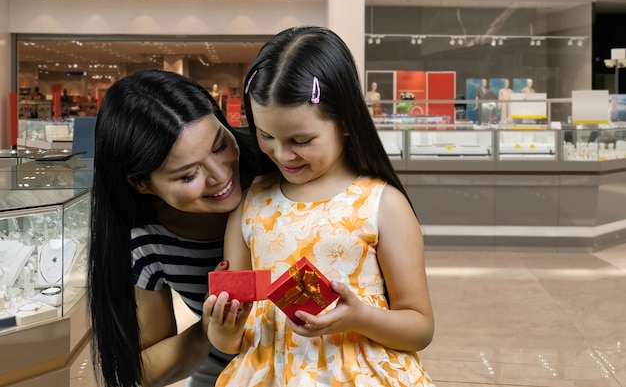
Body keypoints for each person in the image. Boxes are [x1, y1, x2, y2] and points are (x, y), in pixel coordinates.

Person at [207, 26, 435, 386]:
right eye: (266, 136)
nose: (281, 154)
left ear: (344, 122)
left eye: (300, 140)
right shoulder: (251, 202)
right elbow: (231, 341)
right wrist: (222, 328)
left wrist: (359, 317)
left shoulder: (382, 204)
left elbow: (419, 327)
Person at [88, 69, 270, 387]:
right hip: (228, 367)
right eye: (188, 175)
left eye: (218, 146)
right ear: (140, 183)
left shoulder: (277, 165)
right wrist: (211, 330)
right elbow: (145, 370)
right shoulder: (144, 240)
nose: (221, 176)